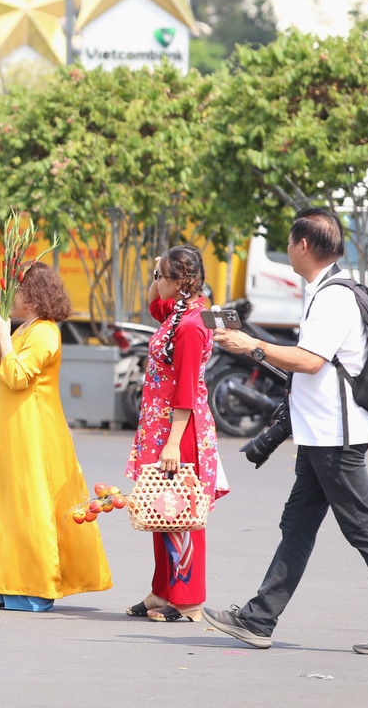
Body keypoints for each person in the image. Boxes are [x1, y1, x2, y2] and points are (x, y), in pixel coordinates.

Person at [206, 207, 368, 655]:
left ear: (304, 245)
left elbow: (310, 359)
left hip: (336, 435)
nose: (288, 249)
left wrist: (251, 344)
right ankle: (258, 618)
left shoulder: (333, 297)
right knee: (299, 524)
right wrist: (256, 350)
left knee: (364, 527)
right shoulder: (322, 291)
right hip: (319, 434)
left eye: (289, 242)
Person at [0, 262, 112, 611]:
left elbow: (19, 377)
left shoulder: (45, 332)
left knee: (30, 508)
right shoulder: (27, 328)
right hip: (14, 431)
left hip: (33, 434)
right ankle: (7, 585)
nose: (12, 297)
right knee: (8, 508)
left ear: (34, 296)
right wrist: (7, 339)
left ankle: (34, 587)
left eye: (18, 291)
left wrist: (5, 341)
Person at [124, 245, 227, 623]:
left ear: (180, 282)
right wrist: (157, 272)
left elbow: (185, 388)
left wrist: (171, 443)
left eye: (162, 277)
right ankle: (162, 590)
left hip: (178, 429)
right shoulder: (179, 312)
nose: (156, 283)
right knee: (159, 507)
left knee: (180, 513)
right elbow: (153, 304)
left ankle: (188, 600)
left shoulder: (190, 325)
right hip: (163, 425)